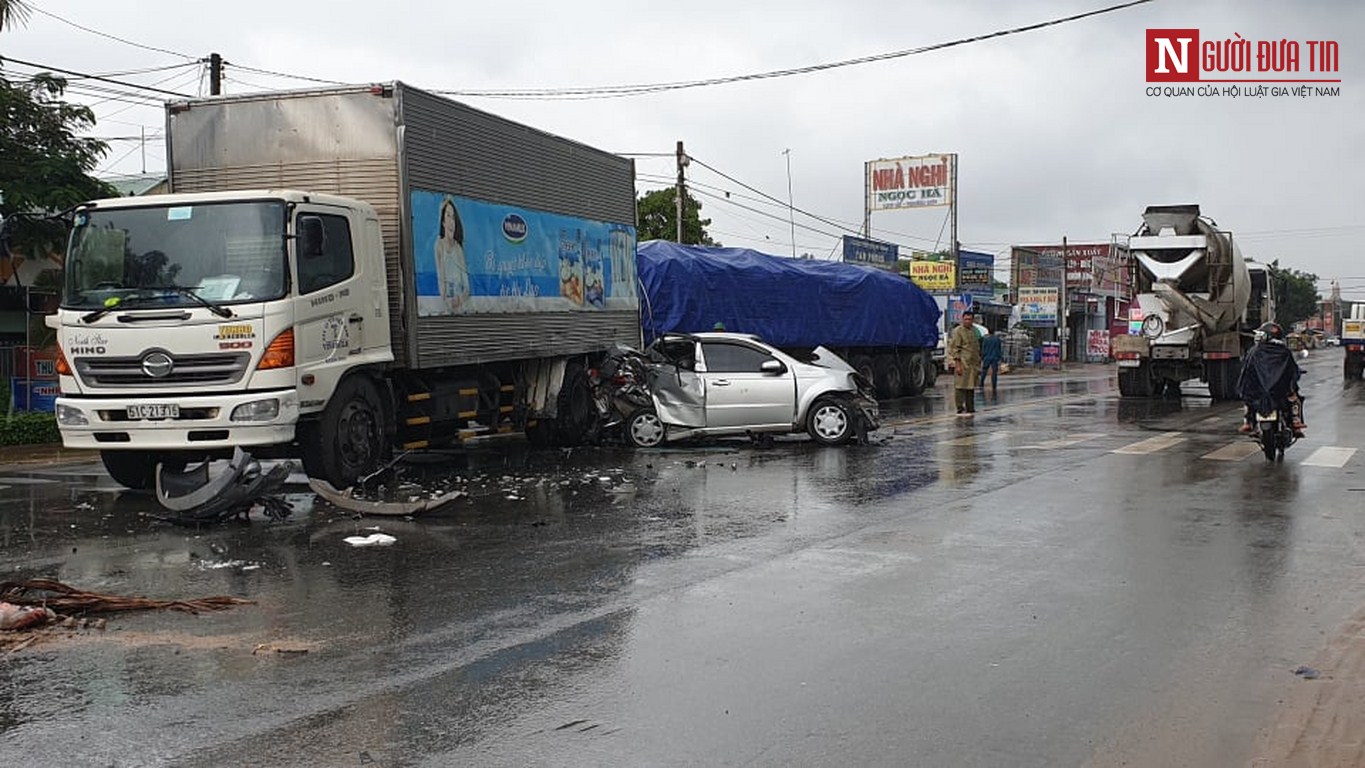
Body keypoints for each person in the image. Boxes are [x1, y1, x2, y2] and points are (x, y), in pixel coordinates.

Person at [1237, 321, 1306, 437]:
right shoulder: (1283, 351)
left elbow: (1246, 370)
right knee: (1294, 398)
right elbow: (1293, 370)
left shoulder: (1254, 351)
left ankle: (1248, 422)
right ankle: (1296, 422)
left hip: (1262, 390)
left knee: (1248, 398)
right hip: (1278, 390)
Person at [435, 197, 469, 311]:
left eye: (453, 217)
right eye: (448, 216)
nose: (451, 221)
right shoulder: (439, 246)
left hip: (459, 308)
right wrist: (446, 303)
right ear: (443, 222)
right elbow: (441, 280)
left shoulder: (458, 249)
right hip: (446, 306)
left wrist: (459, 300)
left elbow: (467, 288)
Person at [948, 310, 983, 416]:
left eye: (970, 319)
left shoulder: (974, 331)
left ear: (973, 320)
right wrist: (957, 365)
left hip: (973, 364)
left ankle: (970, 407)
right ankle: (960, 407)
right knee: (960, 387)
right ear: (962, 319)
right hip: (963, 363)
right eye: (965, 319)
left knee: (971, 387)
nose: (967, 321)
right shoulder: (958, 331)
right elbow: (955, 349)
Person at [979, 327, 1003, 392]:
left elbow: (983, 349)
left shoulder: (986, 339)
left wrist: (982, 357)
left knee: (984, 371)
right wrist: (1000, 358)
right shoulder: (997, 339)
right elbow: (999, 349)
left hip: (987, 357)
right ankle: (994, 384)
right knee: (994, 372)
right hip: (995, 357)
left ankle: (981, 383)